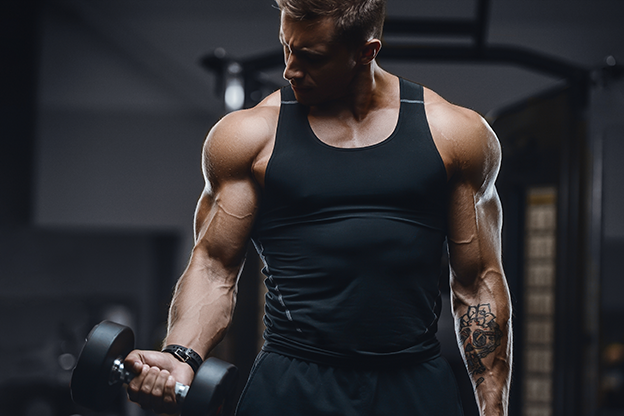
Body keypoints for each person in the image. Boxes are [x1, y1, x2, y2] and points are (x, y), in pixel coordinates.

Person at [124, 0, 513, 415]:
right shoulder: (251, 136)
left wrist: (494, 410)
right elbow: (214, 266)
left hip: (411, 385)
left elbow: (477, 286)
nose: (290, 69)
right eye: (286, 47)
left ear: (367, 51)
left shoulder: (455, 136)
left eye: (311, 57)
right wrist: (182, 355)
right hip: (291, 386)